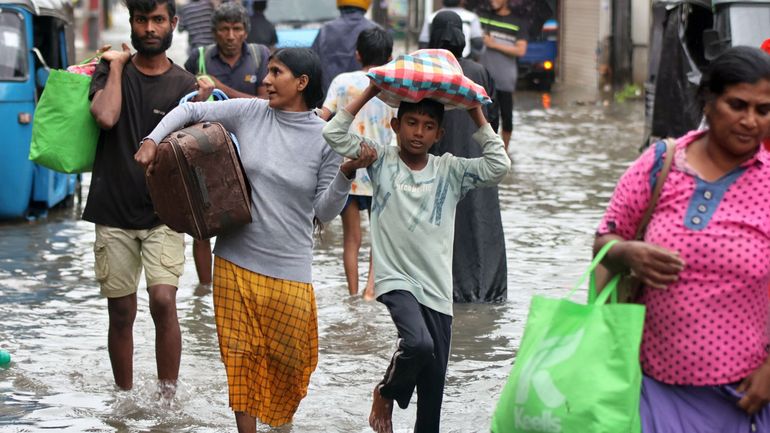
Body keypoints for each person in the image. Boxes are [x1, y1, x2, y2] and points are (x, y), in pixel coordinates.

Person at [137, 48, 373, 432]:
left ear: (301, 83)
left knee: (292, 368)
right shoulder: (250, 113)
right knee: (242, 361)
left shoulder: (327, 137)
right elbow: (190, 112)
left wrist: (346, 173)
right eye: (267, 71)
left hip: (290, 271)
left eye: (276, 72)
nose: (265, 79)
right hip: (233, 262)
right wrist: (153, 140)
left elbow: (324, 211)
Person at [594, 46, 770, 432]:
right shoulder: (660, 164)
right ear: (708, 102)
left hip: (747, 394)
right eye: (738, 105)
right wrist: (627, 252)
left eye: (763, 110)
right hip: (654, 388)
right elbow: (604, 242)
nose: (750, 121)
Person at [323, 87, 510, 432]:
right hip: (396, 280)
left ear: (439, 134)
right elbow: (333, 133)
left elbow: (499, 165)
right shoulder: (379, 159)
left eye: (427, 126)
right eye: (411, 123)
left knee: (432, 402)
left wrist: (474, 111)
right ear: (395, 125)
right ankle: (385, 391)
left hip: (438, 290)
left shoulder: (450, 171)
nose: (418, 132)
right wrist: (371, 91)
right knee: (418, 344)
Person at [85, 0, 213, 396]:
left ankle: (167, 398)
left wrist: (203, 107)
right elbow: (105, 117)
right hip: (113, 208)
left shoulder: (185, 84)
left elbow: (197, 151)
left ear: (173, 23)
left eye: (158, 20)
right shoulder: (109, 70)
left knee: (163, 301)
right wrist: (118, 66)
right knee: (121, 312)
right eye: (142, 20)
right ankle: (124, 398)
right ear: (132, 24)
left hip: (164, 214)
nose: (150, 28)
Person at [427, 10, 506, 303]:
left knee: (445, 228)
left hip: (437, 166)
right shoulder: (480, 71)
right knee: (481, 226)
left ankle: (448, 293)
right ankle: (487, 294)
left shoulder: (426, 72)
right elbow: (493, 121)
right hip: (478, 164)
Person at [320, 27, 396, 300]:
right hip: (382, 170)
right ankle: (370, 291)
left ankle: (352, 293)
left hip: (349, 171)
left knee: (351, 238)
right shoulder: (393, 84)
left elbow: (323, 117)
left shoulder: (341, 82)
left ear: (357, 54)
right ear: (389, 56)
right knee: (379, 237)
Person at [184, 1, 269, 99]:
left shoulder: (260, 55)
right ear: (214, 32)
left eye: (237, 29)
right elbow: (187, 101)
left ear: (245, 33)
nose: (230, 36)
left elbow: (265, 103)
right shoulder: (198, 57)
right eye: (224, 29)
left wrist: (221, 89)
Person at [478, 0, 528, 150]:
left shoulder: (518, 22)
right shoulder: (483, 18)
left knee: (507, 118)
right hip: (484, 77)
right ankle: (485, 150)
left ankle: (503, 152)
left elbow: (520, 50)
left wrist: (494, 45)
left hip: (505, 77)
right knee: (484, 116)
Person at [311, 0, 378, 93]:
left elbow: (312, 64)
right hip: (365, 97)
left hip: (329, 99)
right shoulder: (375, 30)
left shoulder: (326, 30)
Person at [418, 0, 484, 60]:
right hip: (462, 61)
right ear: (462, 1)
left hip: (435, 61)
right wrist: (469, 61)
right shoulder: (471, 17)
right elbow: (477, 43)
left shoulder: (431, 17)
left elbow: (423, 43)